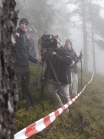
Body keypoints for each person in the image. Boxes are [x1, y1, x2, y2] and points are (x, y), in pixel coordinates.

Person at [15, 18, 41, 109]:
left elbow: (27, 53)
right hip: (17, 66)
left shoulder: (25, 37)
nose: (24, 25)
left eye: (26, 24)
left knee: (26, 86)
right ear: (19, 24)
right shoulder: (16, 33)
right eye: (22, 23)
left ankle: (28, 105)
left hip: (25, 66)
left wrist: (35, 60)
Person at [44, 40, 71, 113]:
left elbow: (68, 61)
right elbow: (48, 62)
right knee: (51, 90)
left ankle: (67, 110)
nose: (54, 46)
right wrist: (48, 55)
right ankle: (60, 105)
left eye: (56, 44)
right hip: (54, 77)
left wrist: (56, 55)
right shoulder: (51, 51)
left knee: (66, 95)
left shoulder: (65, 51)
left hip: (63, 77)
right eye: (53, 44)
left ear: (59, 44)